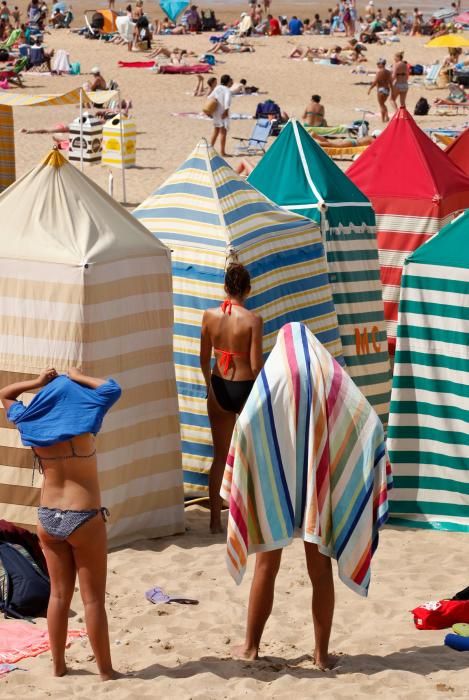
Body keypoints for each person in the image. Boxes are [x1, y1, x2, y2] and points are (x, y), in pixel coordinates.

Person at [0, 368, 122, 681]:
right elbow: (111, 387)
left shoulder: (32, 421)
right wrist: (79, 376)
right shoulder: (86, 419)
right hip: (84, 516)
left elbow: (5, 394)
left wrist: (38, 383)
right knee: (93, 599)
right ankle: (106, 672)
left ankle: (58, 665)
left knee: (58, 595)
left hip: (47, 516)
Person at [200, 263, 263, 533]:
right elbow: (257, 365)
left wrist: (209, 385)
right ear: (247, 290)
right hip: (245, 387)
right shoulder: (253, 320)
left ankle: (215, 520)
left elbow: (203, 358)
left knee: (219, 456)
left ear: (226, 287)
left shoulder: (209, 316)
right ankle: (249, 520)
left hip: (219, 386)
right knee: (251, 457)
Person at [209, 73, 233, 157]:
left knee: (216, 131)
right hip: (223, 112)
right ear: (228, 81)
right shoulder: (227, 90)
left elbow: (210, 97)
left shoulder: (217, 88)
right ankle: (222, 152)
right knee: (223, 132)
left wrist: (211, 111)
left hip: (216, 112)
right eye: (230, 80)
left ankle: (209, 149)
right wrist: (226, 111)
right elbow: (227, 101)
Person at [368, 57, 392, 122]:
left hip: (381, 89)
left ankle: (383, 119)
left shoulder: (379, 72)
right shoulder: (389, 72)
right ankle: (387, 116)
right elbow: (390, 82)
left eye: (378, 64)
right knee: (383, 104)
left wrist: (370, 89)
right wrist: (392, 90)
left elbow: (375, 81)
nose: (377, 65)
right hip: (387, 89)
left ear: (382, 64)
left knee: (381, 105)